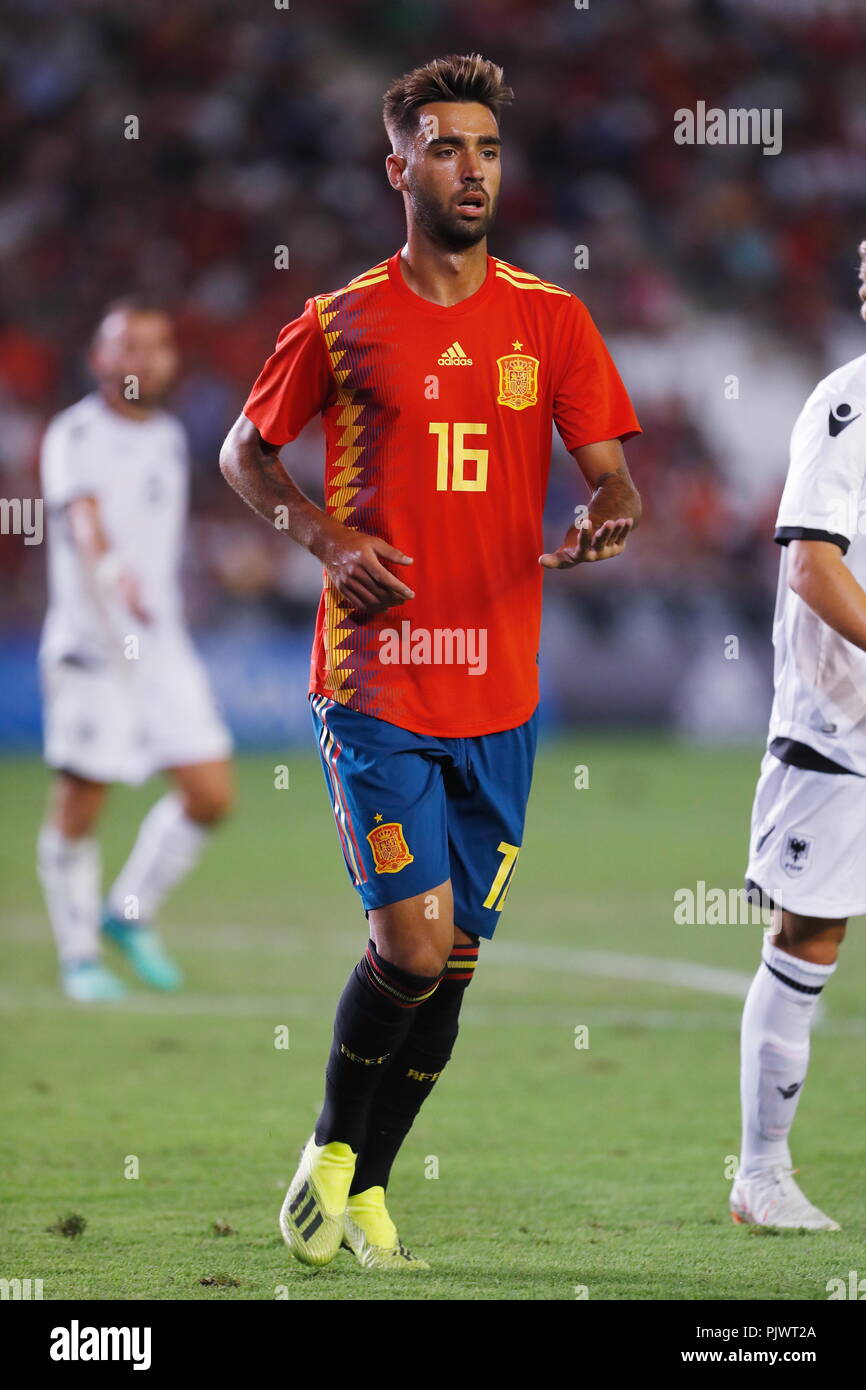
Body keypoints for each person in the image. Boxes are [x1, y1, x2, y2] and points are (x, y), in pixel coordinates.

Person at [221, 53, 641, 1270]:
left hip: (500, 692)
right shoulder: (339, 319)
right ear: (395, 166)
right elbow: (247, 455)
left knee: (452, 963)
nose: (472, 170)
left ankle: (365, 1180)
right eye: (447, 149)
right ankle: (325, 1148)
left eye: (489, 149)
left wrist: (607, 511)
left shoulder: (549, 320)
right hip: (377, 684)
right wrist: (325, 533)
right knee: (411, 941)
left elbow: (612, 471)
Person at [38, 299, 234, 1003]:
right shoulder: (75, 435)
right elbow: (85, 520)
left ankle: (127, 914)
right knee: (82, 800)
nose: (142, 360)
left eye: (155, 347)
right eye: (127, 347)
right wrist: (115, 573)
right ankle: (79, 958)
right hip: (92, 648)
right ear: (98, 360)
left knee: (210, 794)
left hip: (162, 646)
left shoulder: (171, 437)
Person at [733, 241, 866, 1230]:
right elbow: (810, 567)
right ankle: (759, 1174)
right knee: (807, 933)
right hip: (840, 724)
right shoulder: (845, 404)